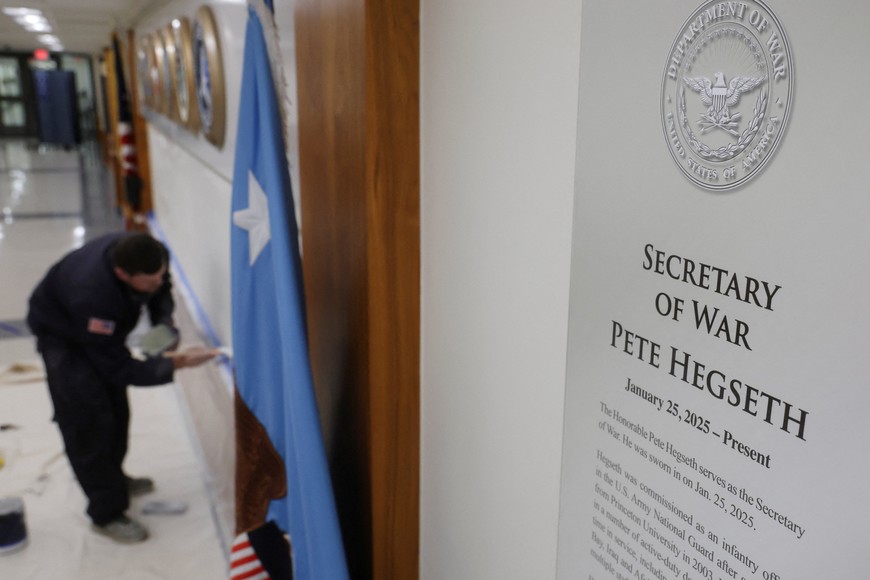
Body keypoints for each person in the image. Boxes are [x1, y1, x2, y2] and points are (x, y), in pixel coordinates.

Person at [27, 232, 217, 543]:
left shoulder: (147, 255)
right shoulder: (92, 296)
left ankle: (114, 477)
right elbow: (119, 367)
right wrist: (177, 364)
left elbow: (161, 290)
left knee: (117, 410)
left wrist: (163, 327)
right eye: (149, 280)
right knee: (88, 421)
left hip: (98, 335)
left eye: (160, 274)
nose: (158, 282)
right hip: (64, 339)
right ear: (122, 274)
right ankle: (106, 513)